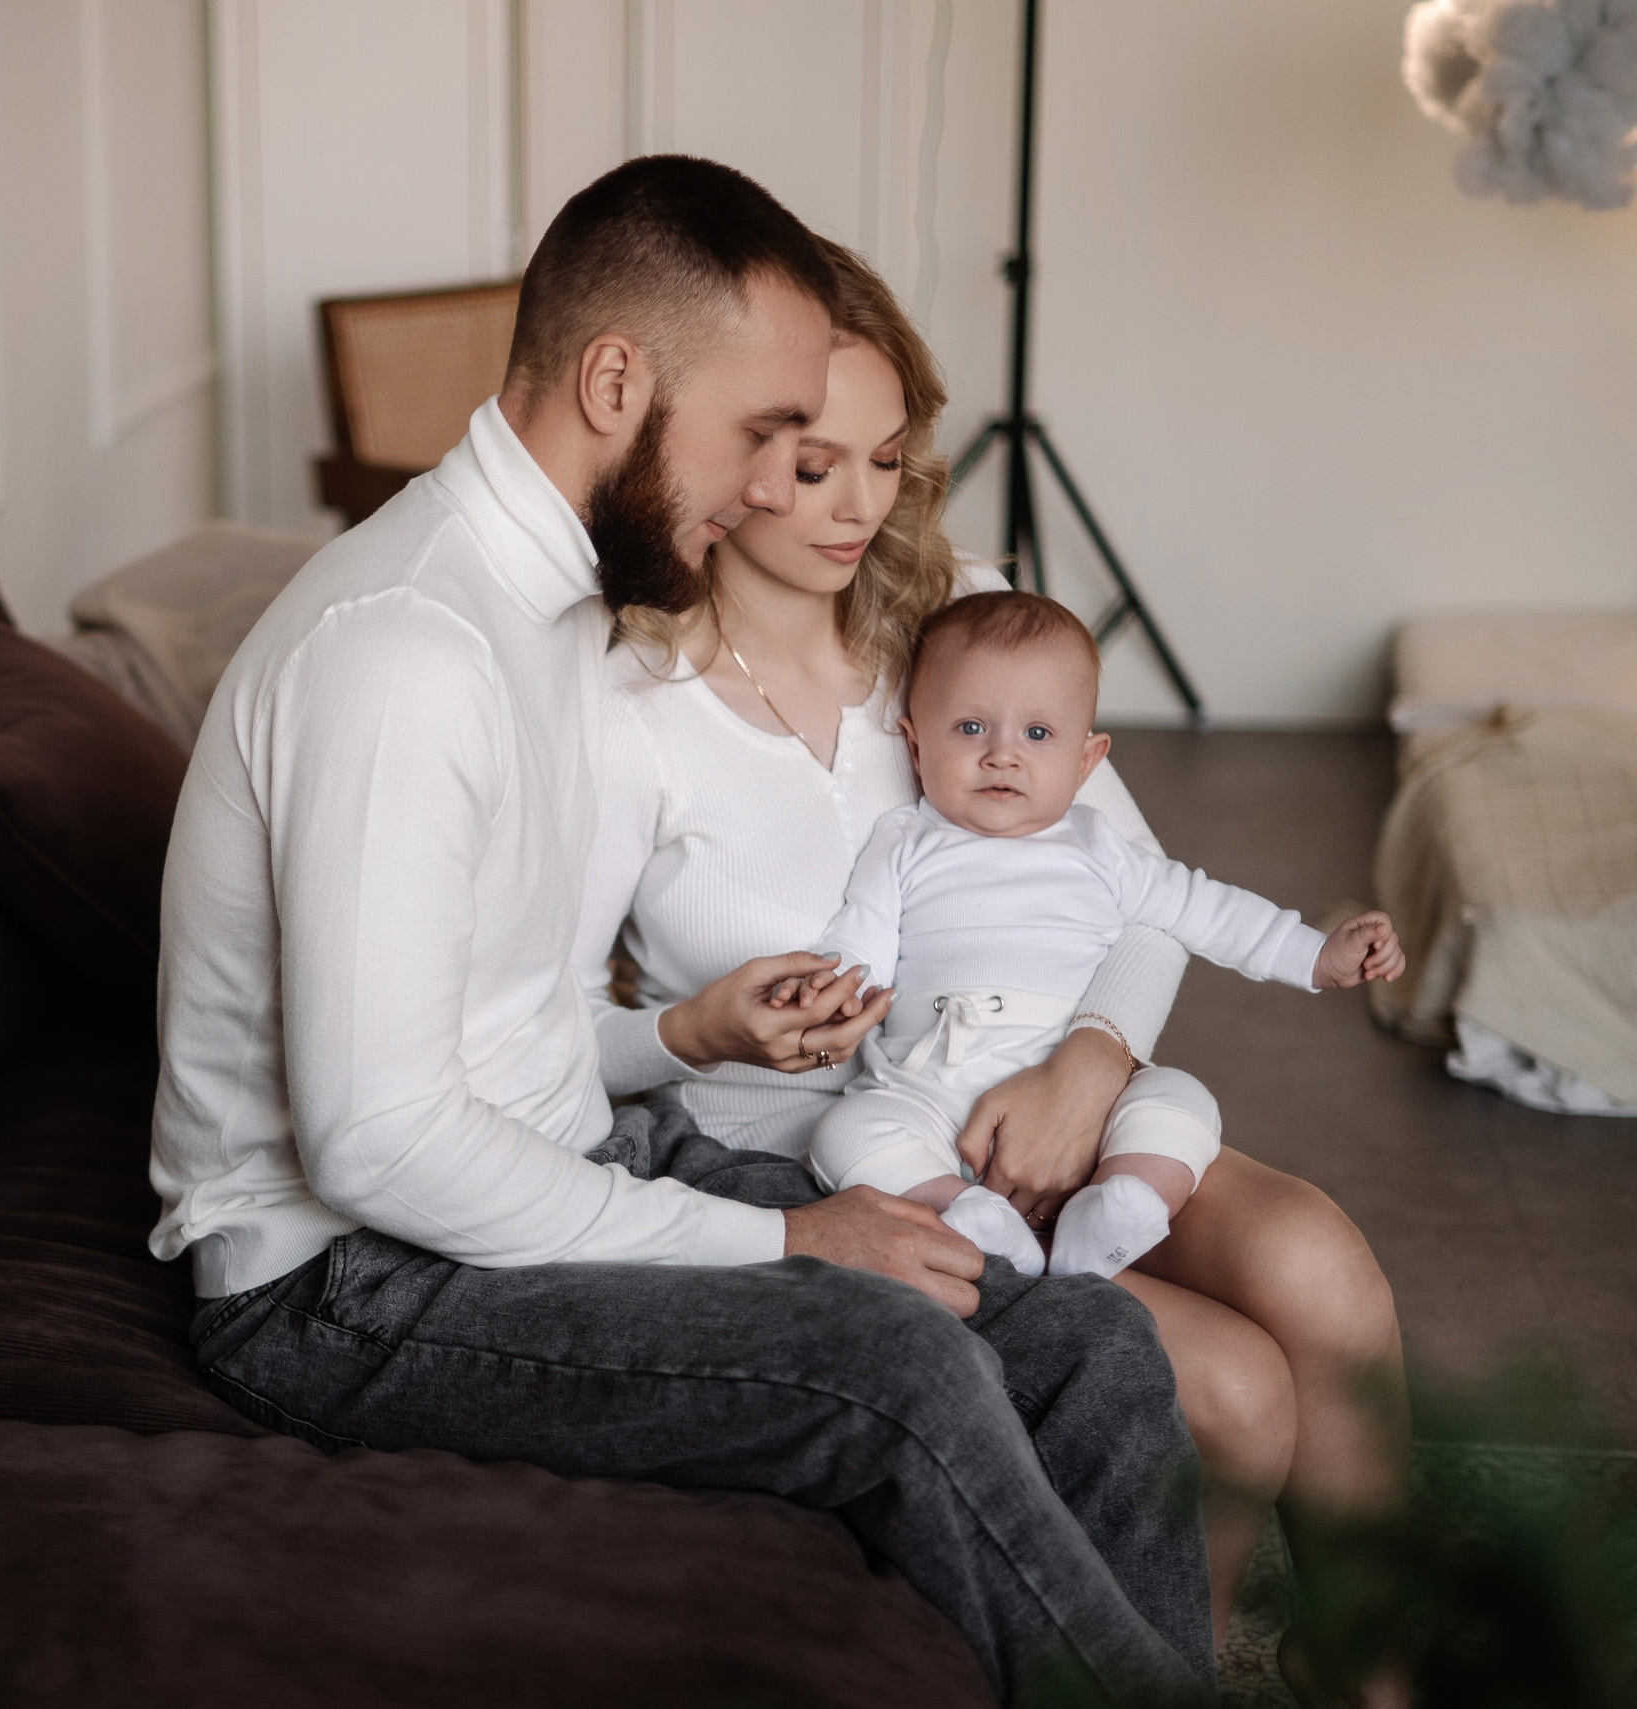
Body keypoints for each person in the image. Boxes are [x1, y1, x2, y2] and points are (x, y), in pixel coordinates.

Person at [151, 155, 1214, 1706]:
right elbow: (377, 1146)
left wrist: (688, 1048)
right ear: (614, 380)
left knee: (1093, 1349)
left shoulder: (557, 610)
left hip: (555, 1164)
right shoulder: (405, 652)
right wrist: (784, 1234)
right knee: (905, 1368)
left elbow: (510, 1028)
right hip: (340, 1282)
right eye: (762, 435)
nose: (768, 489)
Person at [573, 234, 1409, 1700]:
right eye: (809, 458)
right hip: (838, 1152)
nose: (857, 505)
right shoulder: (623, 693)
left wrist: (1091, 1068)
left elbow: (1138, 892)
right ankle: (1170, 1669)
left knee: (1320, 1266)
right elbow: (550, 1024)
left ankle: (1379, 1678)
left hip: (1049, 1065)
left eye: (886, 458)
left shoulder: (957, 605)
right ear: (716, 438)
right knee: (1227, 1388)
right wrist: (697, 1028)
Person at [800, 588, 1407, 1282]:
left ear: (1088, 762)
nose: (1003, 755)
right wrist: (828, 988)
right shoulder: (904, 842)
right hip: (932, 1086)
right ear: (915, 743)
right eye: (970, 729)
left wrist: (1316, 954)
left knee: (1181, 1102)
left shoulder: (1102, 849)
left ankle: (1117, 1208)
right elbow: (860, 937)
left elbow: (1204, 908)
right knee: (845, 1133)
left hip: (1079, 1093)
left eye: (1037, 734)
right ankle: (966, 1212)